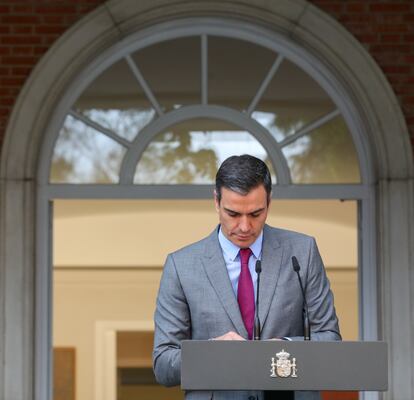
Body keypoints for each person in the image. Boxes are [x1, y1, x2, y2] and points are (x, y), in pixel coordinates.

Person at [153, 154, 341, 400]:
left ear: (269, 203)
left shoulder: (302, 252)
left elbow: (330, 340)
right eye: (233, 214)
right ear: (216, 202)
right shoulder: (180, 265)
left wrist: (285, 346)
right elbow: (164, 365)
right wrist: (212, 351)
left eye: (255, 214)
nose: (244, 227)